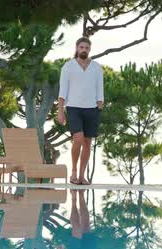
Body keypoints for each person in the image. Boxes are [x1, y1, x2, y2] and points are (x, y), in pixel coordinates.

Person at [57, 37, 104, 185]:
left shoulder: (96, 67)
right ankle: (74, 172)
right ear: (77, 48)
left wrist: (100, 104)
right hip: (73, 108)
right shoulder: (68, 67)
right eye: (81, 47)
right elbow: (62, 90)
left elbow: (99, 87)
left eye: (87, 48)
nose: (84, 50)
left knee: (87, 142)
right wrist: (60, 111)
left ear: (89, 50)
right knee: (77, 139)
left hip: (92, 109)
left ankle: (83, 175)